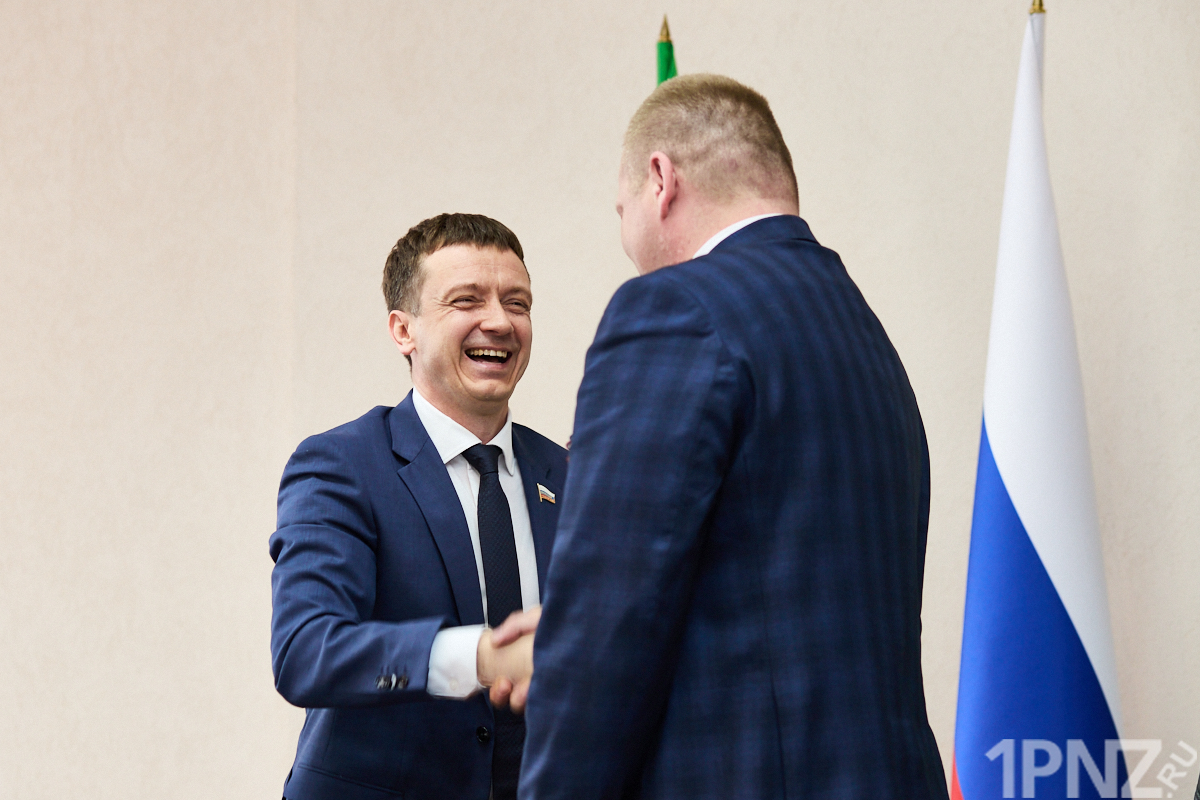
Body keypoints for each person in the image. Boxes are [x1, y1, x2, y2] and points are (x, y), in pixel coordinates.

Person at [513, 74, 949, 799]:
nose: (626, 240)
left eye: (622, 210)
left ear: (661, 180)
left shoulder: (674, 310)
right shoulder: (860, 330)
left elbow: (612, 616)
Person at [269, 213, 567, 800]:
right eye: (466, 300)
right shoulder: (342, 465)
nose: (499, 322)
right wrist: (479, 658)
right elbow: (306, 652)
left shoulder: (572, 476)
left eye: (517, 303)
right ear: (403, 330)